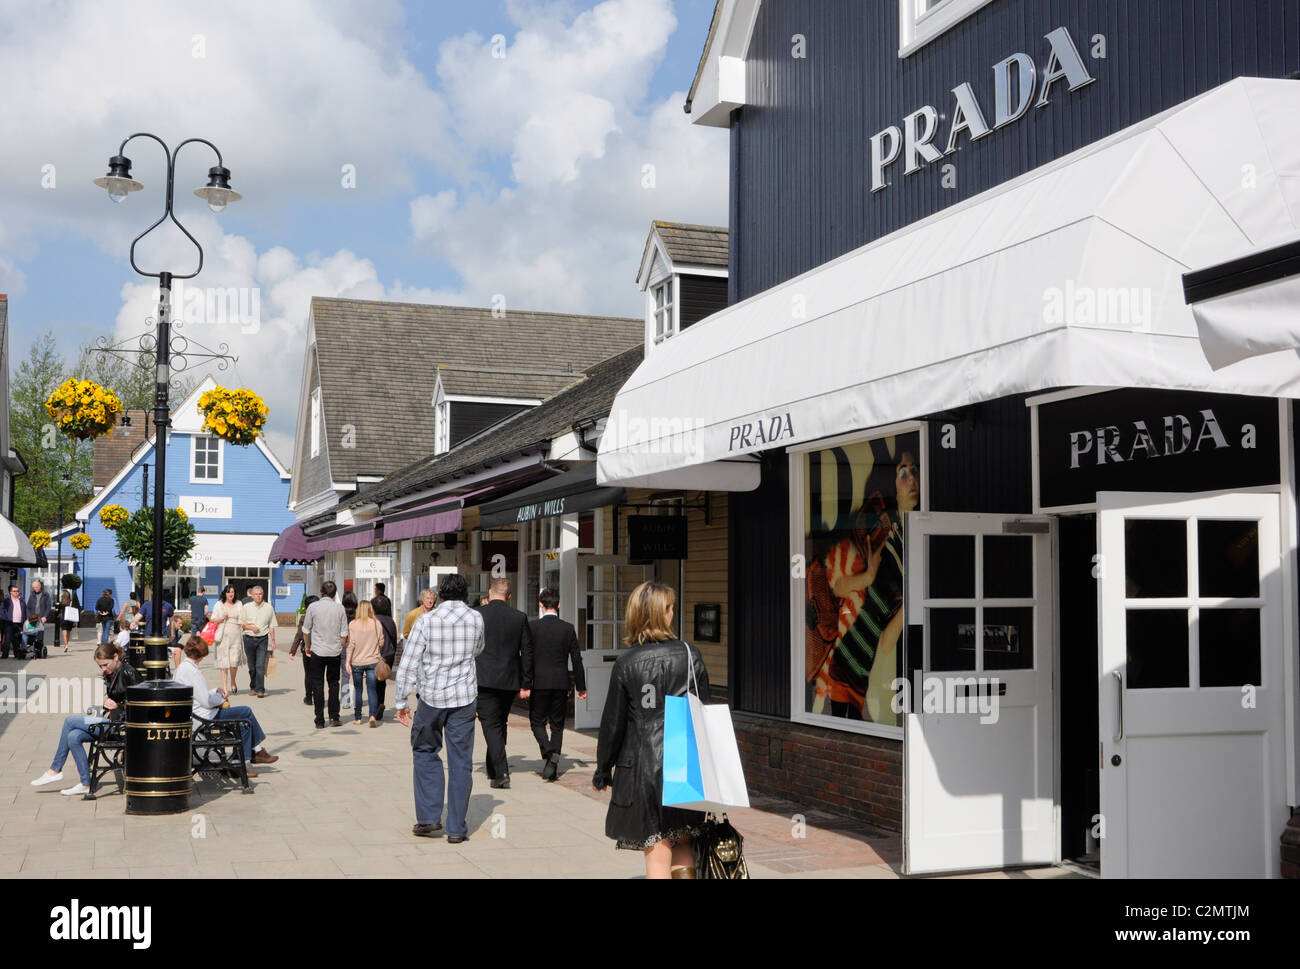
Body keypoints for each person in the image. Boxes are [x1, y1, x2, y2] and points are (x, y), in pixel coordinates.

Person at [594, 581, 710, 879]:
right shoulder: (690, 654)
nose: (673, 612)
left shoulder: (627, 662)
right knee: (683, 838)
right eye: (670, 607)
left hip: (642, 764)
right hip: (682, 760)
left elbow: (613, 724)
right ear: (664, 613)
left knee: (656, 846)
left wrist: (603, 769)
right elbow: (703, 713)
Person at [394, 573, 484, 842]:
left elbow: (409, 662)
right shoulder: (476, 618)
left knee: (424, 751)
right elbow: (479, 649)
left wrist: (401, 701)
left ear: (441, 594)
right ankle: (456, 828)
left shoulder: (428, 620)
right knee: (461, 762)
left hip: (432, 697)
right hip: (465, 697)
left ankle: (429, 818)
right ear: (465, 593)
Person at [30, 641, 141, 796]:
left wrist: (120, 705)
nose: (103, 669)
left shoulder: (129, 672)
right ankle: (85, 784)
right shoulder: (112, 673)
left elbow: (141, 704)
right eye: (100, 666)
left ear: (116, 657)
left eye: (105, 665)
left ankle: (55, 770)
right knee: (73, 736)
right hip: (112, 722)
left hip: (120, 726)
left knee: (70, 721)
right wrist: (109, 703)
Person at [174, 636, 279, 772]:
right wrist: (221, 698)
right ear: (200, 655)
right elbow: (206, 701)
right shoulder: (193, 672)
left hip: (194, 715)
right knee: (246, 712)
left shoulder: (183, 668)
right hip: (204, 718)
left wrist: (215, 691)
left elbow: (199, 694)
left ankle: (251, 755)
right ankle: (254, 753)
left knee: (245, 724)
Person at [522, 588, 587, 781]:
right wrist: (581, 686)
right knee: (557, 725)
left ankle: (549, 752)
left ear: (541, 605)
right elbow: (576, 659)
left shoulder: (532, 627)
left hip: (539, 682)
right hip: (560, 682)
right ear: (558, 605)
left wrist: (525, 683)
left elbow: (527, 658)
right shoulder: (568, 628)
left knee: (537, 722)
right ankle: (552, 765)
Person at [475, 578, 532, 789]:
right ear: (509, 596)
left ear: (490, 593)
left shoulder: (478, 615)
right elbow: (527, 652)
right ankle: (493, 767)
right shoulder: (519, 617)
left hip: (484, 678)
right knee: (499, 722)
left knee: (491, 725)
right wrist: (526, 683)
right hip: (509, 679)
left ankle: (501, 772)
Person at [301, 581, 348, 728]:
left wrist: (308, 647)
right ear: (335, 593)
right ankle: (334, 717)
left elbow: (306, 630)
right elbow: (344, 633)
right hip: (334, 651)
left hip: (317, 651)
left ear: (321, 591)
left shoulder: (313, 607)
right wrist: (339, 645)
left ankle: (320, 720)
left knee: (318, 684)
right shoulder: (340, 609)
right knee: (334, 684)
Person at [346, 600, 384, 727]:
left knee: (358, 690)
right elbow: (381, 642)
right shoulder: (376, 623)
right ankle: (372, 716)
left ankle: (358, 717)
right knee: (372, 690)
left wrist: (347, 661)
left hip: (357, 662)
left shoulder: (353, 624)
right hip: (373, 661)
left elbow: (351, 644)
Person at [239, 585, 276, 699]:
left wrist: (273, 640)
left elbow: (271, 625)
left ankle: (260, 689)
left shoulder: (269, 608)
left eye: (260, 594)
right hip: (249, 639)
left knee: (260, 665)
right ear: (252, 595)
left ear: (262, 595)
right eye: (256, 594)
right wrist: (251, 628)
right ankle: (253, 686)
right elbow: (241, 623)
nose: (258, 596)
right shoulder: (246, 607)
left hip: (263, 639)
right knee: (252, 666)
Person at [210, 585, 245, 695]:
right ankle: (225, 688)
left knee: (234, 663)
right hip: (223, 636)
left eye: (233, 592)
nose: (231, 594)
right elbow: (212, 619)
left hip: (236, 636)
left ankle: (233, 682)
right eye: (229, 592)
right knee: (224, 664)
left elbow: (243, 618)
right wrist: (221, 618)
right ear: (225, 593)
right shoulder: (219, 604)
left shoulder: (239, 604)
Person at [370, 593, 398, 721]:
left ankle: (376, 706)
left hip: (376, 654)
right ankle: (381, 702)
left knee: (373, 681)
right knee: (382, 680)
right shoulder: (391, 621)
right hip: (389, 654)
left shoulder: (373, 620)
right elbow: (394, 638)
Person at [290, 595, 319, 706]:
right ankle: (316, 696)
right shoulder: (321, 617)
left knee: (308, 674)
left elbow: (299, 635)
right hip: (320, 649)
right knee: (318, 674)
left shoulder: (304, 618)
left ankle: (308, 697)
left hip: (307, 649)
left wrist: (293, 650)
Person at [340, 591, 358, 710]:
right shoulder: (358, 616)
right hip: (356, 647)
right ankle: (357, 699)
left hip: (343, 646)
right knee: (357, 674)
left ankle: (345, 700)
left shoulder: (341, 614)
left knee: (344, 674)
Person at [26, 579, 51, 659]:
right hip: (32, 618)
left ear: (40, 587)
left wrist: (45, 616)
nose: (35, 589)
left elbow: (48, 607)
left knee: (39, 635)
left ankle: (39, 651)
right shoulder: (32, 594)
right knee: (32, 633)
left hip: (41, 618)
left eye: (36, 587)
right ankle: (33, 650)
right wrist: (28, 616)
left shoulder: (46, 595)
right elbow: (28, 607)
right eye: (33, 587)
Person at [3, 584, 24, 658]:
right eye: (14, 591)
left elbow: (25, 610)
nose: (16, 592)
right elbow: (3, 610)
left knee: (17, 639)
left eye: (17, 591)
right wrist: (6, 618)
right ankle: (5, 655)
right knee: (8, 639)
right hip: (9, 622)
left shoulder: (21, 600)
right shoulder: (7, 600)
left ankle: (16, 654)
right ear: (10, 592)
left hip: (19, 623)